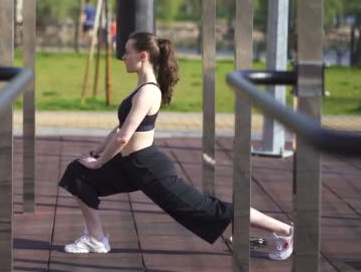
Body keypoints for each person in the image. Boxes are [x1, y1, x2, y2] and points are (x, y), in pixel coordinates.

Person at [59, 32, 294, 261]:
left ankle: (286, 231)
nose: (122, 56)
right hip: (130, 165)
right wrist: (97, 151)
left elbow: (123, 138)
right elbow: (120, 127)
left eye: (127, 52)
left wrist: (99, 163)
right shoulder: (141, 88)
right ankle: (96, 239)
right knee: (78, 174)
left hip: (147, 168)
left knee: (208, 210)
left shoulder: (149, 91)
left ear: (142, 56)